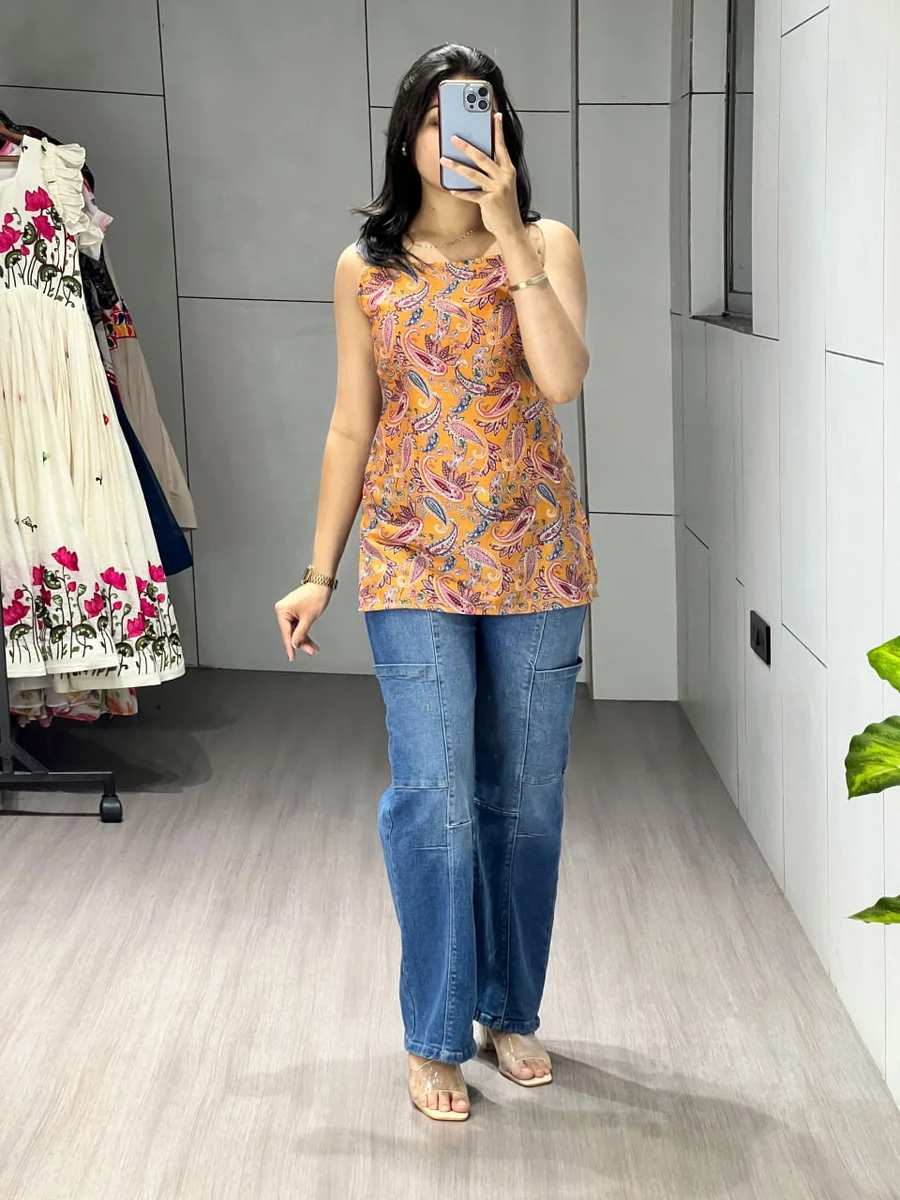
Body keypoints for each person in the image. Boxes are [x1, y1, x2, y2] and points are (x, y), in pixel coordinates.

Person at [275, 43, 597, 1123]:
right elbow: (350, 423)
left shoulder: (546, 242)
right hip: (411, 558)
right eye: (436, 117)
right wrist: (318, 571)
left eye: (477, 114)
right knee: (435, 798)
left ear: (502, 132)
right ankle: (433, 1031)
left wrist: (510, 235)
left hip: (537, 560)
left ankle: (509, 1009)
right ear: (407, 135)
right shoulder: (364, 267)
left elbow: (561, 378)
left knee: (526, 803)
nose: (454, 136)